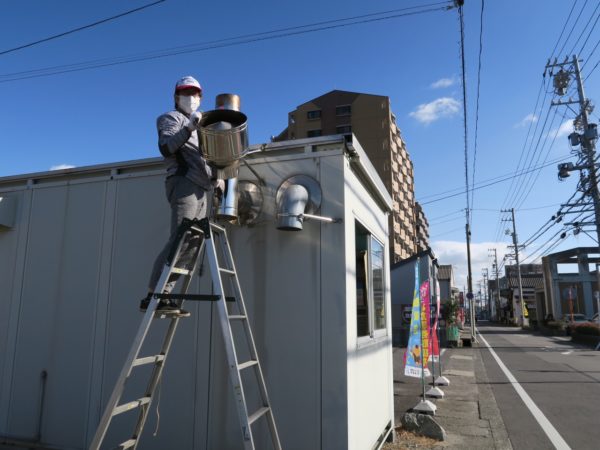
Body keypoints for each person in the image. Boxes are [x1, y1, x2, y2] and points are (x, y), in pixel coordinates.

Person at [140, 75, 223, 315]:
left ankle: (166, 294)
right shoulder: (171, 118)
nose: (191, 97)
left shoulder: (202, 126)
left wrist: (217, 178)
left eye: (195, 93)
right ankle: (153, 295)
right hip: (183, 182)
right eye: (185, 93)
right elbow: (166, 147)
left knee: (193, 242)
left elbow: (207, 157)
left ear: (201, 97)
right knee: (179, 238)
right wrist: (188, 127)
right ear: (176, 97)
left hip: (202, 187)